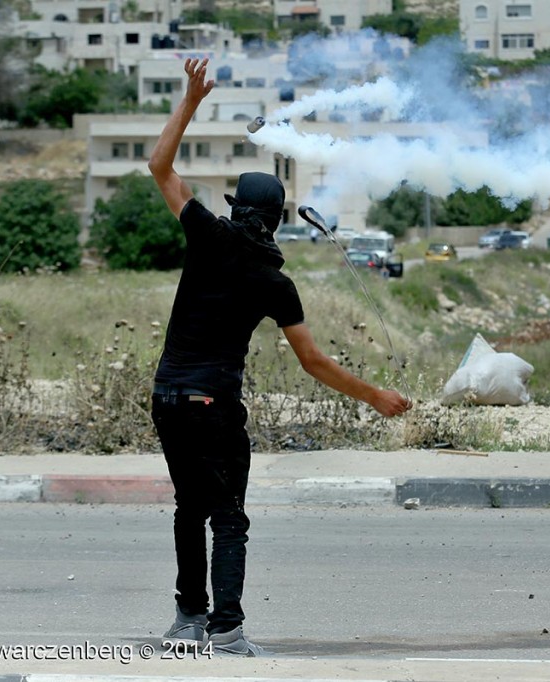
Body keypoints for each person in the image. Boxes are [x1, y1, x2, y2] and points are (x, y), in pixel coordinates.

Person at [146, 57, 412, 657]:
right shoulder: (274, 283)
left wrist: (191, 100)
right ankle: (227, 630)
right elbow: (314, 362)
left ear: (238, 210)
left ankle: (188, 621)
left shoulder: (205, 233)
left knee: (190, 509)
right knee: (229, 519)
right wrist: (375, 396)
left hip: (167, 396)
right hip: (214, 403)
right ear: (275, 221)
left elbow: (159, 166)